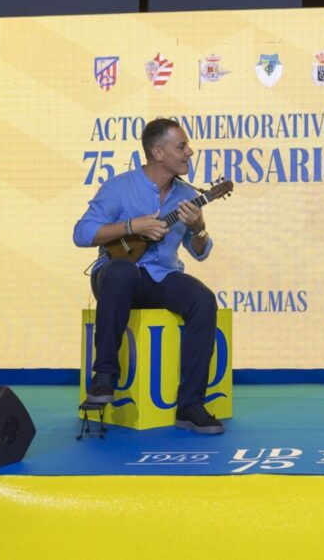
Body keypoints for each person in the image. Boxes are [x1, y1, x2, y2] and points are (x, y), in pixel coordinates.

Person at [73, 118, 223, 434]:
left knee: (202, 299)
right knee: (122, 272)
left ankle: (190, 405)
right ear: (158, 152)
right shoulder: (119, 187)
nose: (190, 152)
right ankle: (104, 376)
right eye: (181, 146)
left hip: (161, 277)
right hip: (114, 277)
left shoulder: (186, 195)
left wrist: (199, 229)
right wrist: (131, 226)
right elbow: (82, 233)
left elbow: (199, 252)